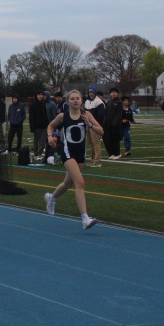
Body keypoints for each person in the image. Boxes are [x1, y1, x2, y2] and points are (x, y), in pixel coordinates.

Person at [44, 89, 104, 230]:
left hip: (80, 154)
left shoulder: (87, 115)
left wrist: (90, 125)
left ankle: (51, 197)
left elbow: (101, 131)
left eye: (78, 98)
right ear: (68, 102)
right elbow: (50, 126)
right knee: (80, 183)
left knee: (67, 184)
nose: (75, 100)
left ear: (81, 100)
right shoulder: (63, 116)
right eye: (72, 99)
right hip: (67, 153)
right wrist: (50, 136)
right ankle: (85, 219)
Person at [83, 86, 105, 166]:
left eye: (93, 92)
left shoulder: (99, 102)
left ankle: (97, 161)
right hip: (88, 125)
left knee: (96, 143)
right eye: (90, 92)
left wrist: (94, 123)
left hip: (95, 126)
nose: (91, 94)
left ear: (95, 93)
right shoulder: (87, 101)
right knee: (91, 143)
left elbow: (101, 116)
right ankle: (93, 159)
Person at [102, 86, 123, 159]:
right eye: (112, 92)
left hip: (115, 125)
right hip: (108, 124)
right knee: (109, 139)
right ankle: (112, 154)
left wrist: (115, 123)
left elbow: (119, 114)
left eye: (115, 92)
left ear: (117, 93)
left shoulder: (119, 102)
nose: (113, 94)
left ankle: (117, 154)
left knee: (115, 139)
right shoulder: (109, 101)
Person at [29, 90, 49, 161]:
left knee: (42, 140)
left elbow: (46, 115)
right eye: (39, 95)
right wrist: (32, 127)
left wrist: (47, 124)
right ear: (36, 96)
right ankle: (35, 152)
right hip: (36, 126)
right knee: (36, 140)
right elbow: (31, 117)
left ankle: (39, 153)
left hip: (44, 126)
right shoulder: (33, 105)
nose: (40, 96)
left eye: (41, 95)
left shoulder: (44, 104)